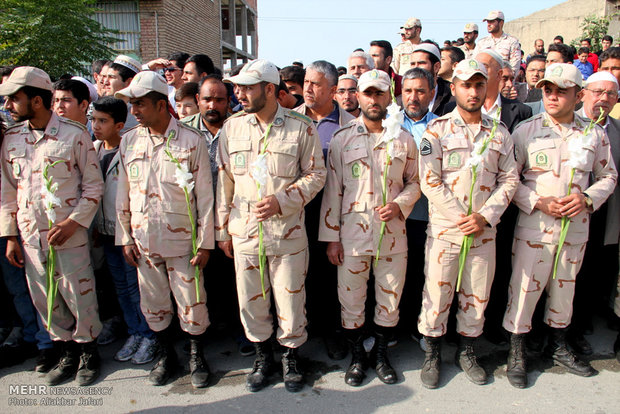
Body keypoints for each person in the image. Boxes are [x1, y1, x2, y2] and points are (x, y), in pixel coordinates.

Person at [503, 63, 617, 388]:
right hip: (534, 228)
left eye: (561, 91)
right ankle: (517, 351)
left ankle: (558, 346)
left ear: (578, 95)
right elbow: (509, 179)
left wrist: (588, 199)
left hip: (575, 229)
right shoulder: (526, 130)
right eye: (547, 90)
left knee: (564, 288)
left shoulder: (593, 133)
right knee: (524, 291)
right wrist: (537, 201)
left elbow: (608, 175)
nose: (552, 96)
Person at [216, 59, 326, 393]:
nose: (240, 94)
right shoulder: (232, 128)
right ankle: (263, 357)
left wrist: (284, 199)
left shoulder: (300, 127)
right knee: (251, 298)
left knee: (290, 298)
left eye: (247, 87)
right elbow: (225, 180)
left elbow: (316, 175)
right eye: (237, 87)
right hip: (245, 230)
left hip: (287, 231)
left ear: (268, 89)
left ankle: (291, 357)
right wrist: (222, 229)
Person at [0, 66, 104, 386]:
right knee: (46, 297)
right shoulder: (12, 139)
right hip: (31, 236)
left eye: (13, 99)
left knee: (78, 294)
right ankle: (65, 351)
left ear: (35, 101)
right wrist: (10, 236)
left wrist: (74, 223)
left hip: (68, 235)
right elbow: (7, 190)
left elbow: (93, 187)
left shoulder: (74, 135)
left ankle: (88, 351)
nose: (7, 106)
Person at [417, 59, 518, 388]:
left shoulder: (499, 132)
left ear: (486, 86)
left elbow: (510, 180)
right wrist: (462, 217)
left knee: (476, 296)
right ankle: (432, 353)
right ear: (454, 87)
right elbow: (429, 182)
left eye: (478, 84)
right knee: (436, 294)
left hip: (483, 235)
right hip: (447, 232)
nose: (473, 91)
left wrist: (485, 217)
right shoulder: (436, 131)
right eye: (465, 85)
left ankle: (467, 351)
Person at [319, 69, 420, 386]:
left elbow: (416, 183)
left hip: (392, 237)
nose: (374, 99)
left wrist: (400, 204)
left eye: (380, 93)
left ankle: (380, 355)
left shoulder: (403, 139)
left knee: (389, 300)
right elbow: (333, 190)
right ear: (357, 97)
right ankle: (357, 357)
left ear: (390, 96)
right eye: (368, 93)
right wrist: (330, 239)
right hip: (351, 236)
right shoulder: (341, 139)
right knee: (351, 301)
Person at [115, 71, 214, 388]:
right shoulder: (129, 141)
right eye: (132, 104)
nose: (134, 111)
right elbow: (123, 194)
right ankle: (166, 355)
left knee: (192, 302)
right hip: (144, 242)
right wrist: (125, 237)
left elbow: (206, 198)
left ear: (161, 105)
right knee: (154, 304)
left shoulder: (191, 140)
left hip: (183, 242)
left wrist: (206, 242)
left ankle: (197, 356)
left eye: (140, 104)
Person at [293, 60, 354, 361]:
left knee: (329, 275)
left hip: (333, 213)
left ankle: (333, 331)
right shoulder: (291, 121)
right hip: (297, 211)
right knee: (297, 274)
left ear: (332, 90)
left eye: (315, 84)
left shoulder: (350, 126)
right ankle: (298, 332)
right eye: (306, 82)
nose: (308, 88)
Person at [91, 96, 158, 365]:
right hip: (105, 232)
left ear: (119, 125)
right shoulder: (93, 149)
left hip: (128, 232)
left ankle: (149, 335)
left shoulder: (131, 149)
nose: (96, 126)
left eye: (103, 121)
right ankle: (134, 331)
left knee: (135, 287)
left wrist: (129, 231)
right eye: (93, 120)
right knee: (120, 286)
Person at [569, 71, 620, 355]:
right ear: (583, 94)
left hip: (600, 212)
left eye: (610, 94)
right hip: (563, 214)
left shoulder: (617, 130)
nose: (603, 99)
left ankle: (579, 327)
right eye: (597, 92)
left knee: (590, 272)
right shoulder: (568, 124)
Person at [398, 67, 437, 346]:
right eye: (408, 91)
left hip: (427, 216)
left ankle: (418, 327)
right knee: (394, 273)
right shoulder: (388, 125)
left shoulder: (441, 126)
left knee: (421, 273)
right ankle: (391, 327)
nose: (414, 97)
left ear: (432, 94)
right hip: (395, 216)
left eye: (420, 91)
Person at [474, 10, 521, 79]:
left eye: (492, 21)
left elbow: (514, 67)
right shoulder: (481, 43)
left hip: (504, 83)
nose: (488, 24)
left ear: (501, 23)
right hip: (485, 83)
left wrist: (505, 81)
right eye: (488, 22)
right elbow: (475, 63)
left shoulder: (512, 42)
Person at [410, 43, 454, 115]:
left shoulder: (451, 97)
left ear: (436, 67)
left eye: (421, 63)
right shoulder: (402, 100)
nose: (416, 68)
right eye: (412, 64)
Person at [599, 47, 620, 119]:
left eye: (615, 69)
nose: (610, 73)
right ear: (599, 71)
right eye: (605, 69)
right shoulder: (591, 95)